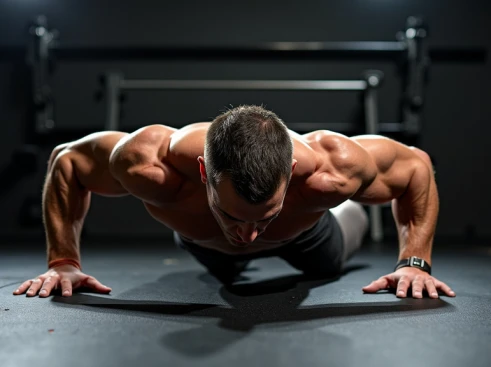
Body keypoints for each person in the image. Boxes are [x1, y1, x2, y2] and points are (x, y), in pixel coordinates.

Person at [13, 105, 455, 299]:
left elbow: (416, 167)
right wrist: (63, 262)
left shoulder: (330, 170)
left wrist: (413, 263)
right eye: (232, 215)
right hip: (202, 244)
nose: (248, 234)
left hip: (309, 237)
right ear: (204, 173)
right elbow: (67, 162)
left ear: (290, 178)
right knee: (225, 263)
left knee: (338, 235)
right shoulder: (151, 164)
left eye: (265, 216)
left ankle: (340, 215)